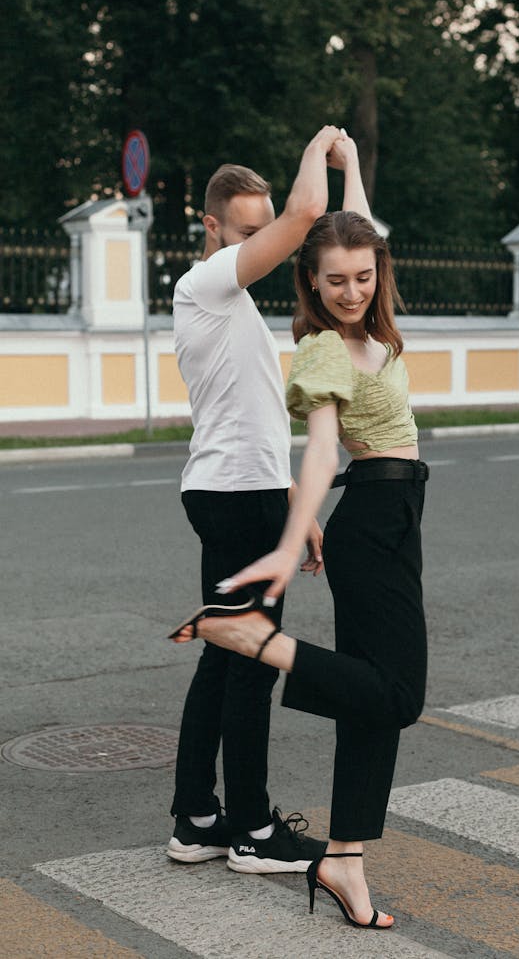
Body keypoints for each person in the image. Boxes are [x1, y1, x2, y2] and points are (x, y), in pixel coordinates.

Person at [171, 197, 429, 931]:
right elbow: (320, 449)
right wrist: (290, 539)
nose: (352, 291)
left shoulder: (376, 327)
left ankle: (344, 855)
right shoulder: (322, 347)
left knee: (374, 703)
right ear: (311, 285)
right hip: (372, 522)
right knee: (399, 695)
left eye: (363, 276)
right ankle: (262, 641)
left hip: (401, 517)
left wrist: (348, 160)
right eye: (335, 280)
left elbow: (368, 234)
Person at [168, 125, 353, 873]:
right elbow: (308, 211)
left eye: (262, 225)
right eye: (249, 230)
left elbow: (252, 414)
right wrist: (324, 145)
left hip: (246, 492)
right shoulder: (208, 283)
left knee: (222, 656)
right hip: (230, 498)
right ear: (212, 226)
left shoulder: (234, 302)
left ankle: (196, 818)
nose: (262, 241)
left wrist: (294, 508)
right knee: (250, 660)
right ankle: (252, 828)